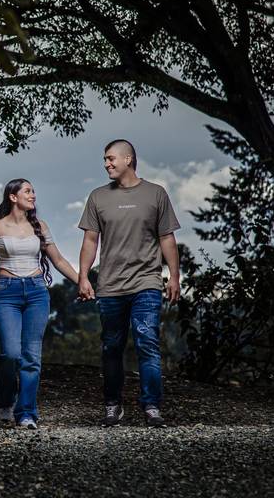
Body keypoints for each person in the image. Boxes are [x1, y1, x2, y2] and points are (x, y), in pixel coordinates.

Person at [76, 139, 181, 428]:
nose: (106, 164)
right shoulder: (98, 197)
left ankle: (152, 407)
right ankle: (113, 405)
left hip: (147, 281)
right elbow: (90, 241)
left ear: (129, 159)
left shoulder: (155, 194)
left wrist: (174, 276)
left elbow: (166, 238)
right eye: (105, 159)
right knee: (112, 346)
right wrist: (84, 276)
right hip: (110, 285)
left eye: (111, 158)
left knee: (147, 341)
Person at [0, 178, 79, 429]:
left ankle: (26, 413)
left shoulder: (40, 226)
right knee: (11, 353)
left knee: (31, 356)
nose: (33, 195)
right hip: (7, 293)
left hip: (36, 293)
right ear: (13, 197)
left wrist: (82, 281)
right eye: (27, 191)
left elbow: (58, 260)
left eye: (34, 191)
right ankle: (4, 400)